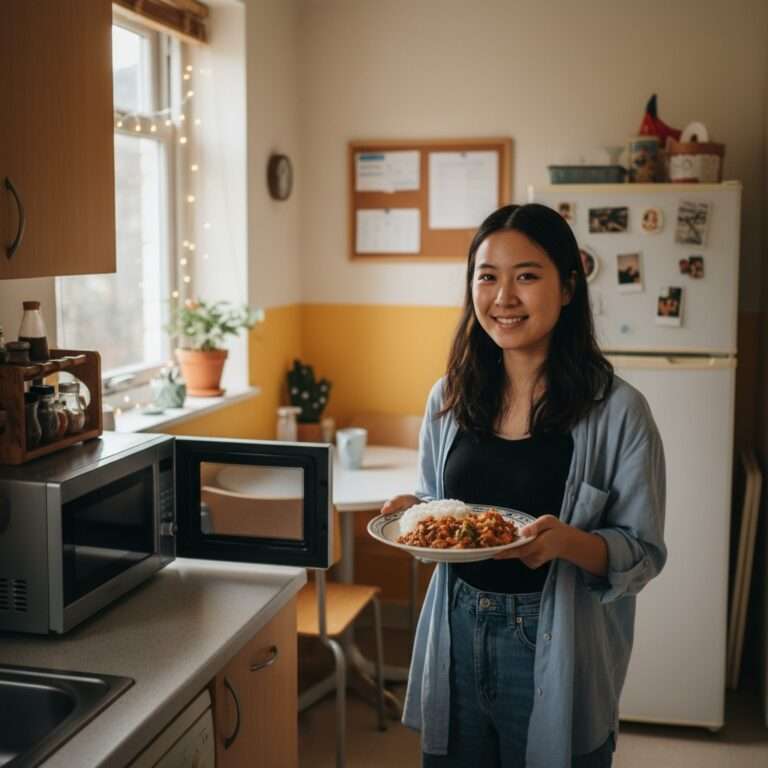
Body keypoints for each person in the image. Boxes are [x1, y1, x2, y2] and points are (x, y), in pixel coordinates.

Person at [382, 203, 667, 767]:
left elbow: (643, 552)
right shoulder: (449, 397)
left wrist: (565, 543)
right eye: (487, 277)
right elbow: (437, 501)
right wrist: (413, 512)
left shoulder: (620, 412)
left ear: (566, 288)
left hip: (552, 635)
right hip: (456, 626)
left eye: (527, 276)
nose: (503, 297)